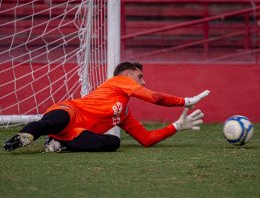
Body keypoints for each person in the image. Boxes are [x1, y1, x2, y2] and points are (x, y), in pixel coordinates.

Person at [4, 62, 210, 152]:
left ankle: (58, 144)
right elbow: (155, 98)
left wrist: (176, 126)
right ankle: (25, 135)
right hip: (69, 110)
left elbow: (146, 140)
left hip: (77, 133)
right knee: (56, 121)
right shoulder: (119, 81)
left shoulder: (124, 113)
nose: (144, 82)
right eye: (140, 76)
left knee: (113, 143)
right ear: (127, 75)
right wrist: (185, 101)